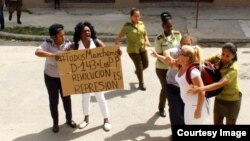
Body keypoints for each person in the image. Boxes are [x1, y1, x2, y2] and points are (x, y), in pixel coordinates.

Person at [35, 23, 77, 133]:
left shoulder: (68, 43)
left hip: (64, 76)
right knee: (54, 101)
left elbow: (77, 52)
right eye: (60, 36)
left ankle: (69, 119)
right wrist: (54, 55)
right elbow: (37, 52)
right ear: (54, 37)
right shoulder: (48, 43)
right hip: (50, 76)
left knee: (67, 99)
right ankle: (55, 123)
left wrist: (72, 50)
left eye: (63, 34)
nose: (63, 37)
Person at [73, 21, 111, 132]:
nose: (87, 32)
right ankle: (86, 119)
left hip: (96, 76)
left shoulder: (96, 42)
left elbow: (108, 52)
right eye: (84, 31)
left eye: (88, 30)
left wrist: (117, 53)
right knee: (85, 98)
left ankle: (106, 120)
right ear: (79, 33)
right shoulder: (76, 45)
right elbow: (67, 59)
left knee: (101, 97)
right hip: (84, 77)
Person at [190, 42, 242, 125]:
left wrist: (201, 88)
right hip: (220, 96)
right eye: (223, 54)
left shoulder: (233, 69)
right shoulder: (218, 58)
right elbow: (203, 62)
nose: (224, 57)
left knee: (230, 123)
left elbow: (219, 84)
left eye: (228, 56)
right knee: (217, 122)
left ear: (234, 56)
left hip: (232, 99)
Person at [151, 35, 192, 136]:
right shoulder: (176, 57)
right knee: (175, 112)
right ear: (180, 45)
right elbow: (167, 56)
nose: (186, 46)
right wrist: (161, 56)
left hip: (186, 89)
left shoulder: (193, 55)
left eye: (188, 44)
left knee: (184, 113)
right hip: (172, 87)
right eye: (184, 44)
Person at [153, 12, 182, 117]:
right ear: (163, 26)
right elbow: (159, 55)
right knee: (166, 88)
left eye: (171, 26)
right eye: (167, 26)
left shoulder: (178, 35)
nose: (170, 28)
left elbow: (181, 49)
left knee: (177, 87)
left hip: (175, 67)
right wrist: (170, 63)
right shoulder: (159, 39)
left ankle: (175, 107)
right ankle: (161, 108)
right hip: (162, 68)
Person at [115, 8, 151, 91]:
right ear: (131, 17)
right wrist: (116, 45)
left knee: (146, 64)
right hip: (132, 50)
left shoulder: (141, 24)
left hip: (142, 47)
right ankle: (141, 83)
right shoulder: (127, 27)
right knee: (139, 66)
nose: (137, 18)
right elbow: (119, 36)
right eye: (135, 16)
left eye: (138, 16)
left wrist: (147, 41)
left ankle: (138, 72)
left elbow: (145, 34)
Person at [175, 45, 209, 124]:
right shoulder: (182, 67)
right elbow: (170, 62)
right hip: (188, 105)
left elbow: (202, 91)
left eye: (181, 53)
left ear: (187, 58)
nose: (178, 55)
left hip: (195, 107)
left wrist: (198, 110)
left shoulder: (193, 73)